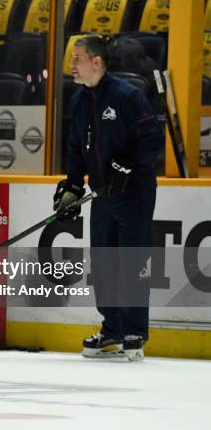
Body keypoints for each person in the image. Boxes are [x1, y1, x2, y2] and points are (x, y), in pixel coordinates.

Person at [55, 35, 163, 361]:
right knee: (103, 263)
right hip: (101, 194)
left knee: (131, 262)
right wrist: (72, 185)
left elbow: (152, 139)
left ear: (96, 62)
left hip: (134, 194)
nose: (71, 65)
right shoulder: (78, 100)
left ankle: (134, 331)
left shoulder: (127, 96)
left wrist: (129, 165)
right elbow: (75, 147)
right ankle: (112, 329)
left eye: (77, 58)